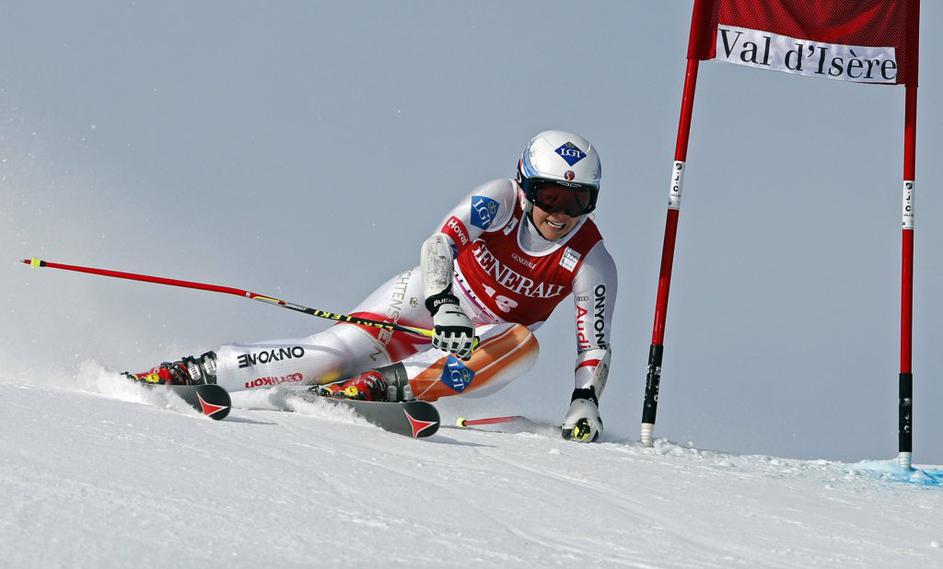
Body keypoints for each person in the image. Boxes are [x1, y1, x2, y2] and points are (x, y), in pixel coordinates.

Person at [127, 130, 618, 442]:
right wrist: (445, 303)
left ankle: (383, 386)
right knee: (332, 354)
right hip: (424, 302)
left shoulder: (590, 260)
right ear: (525, 187)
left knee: (523, 344)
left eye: (576, 202)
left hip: (478, 347)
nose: (560, 213)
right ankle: (197, 370)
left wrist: (585, 402)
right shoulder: (499, 200)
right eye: (549, 195)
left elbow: (593, 344)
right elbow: (440, 245)